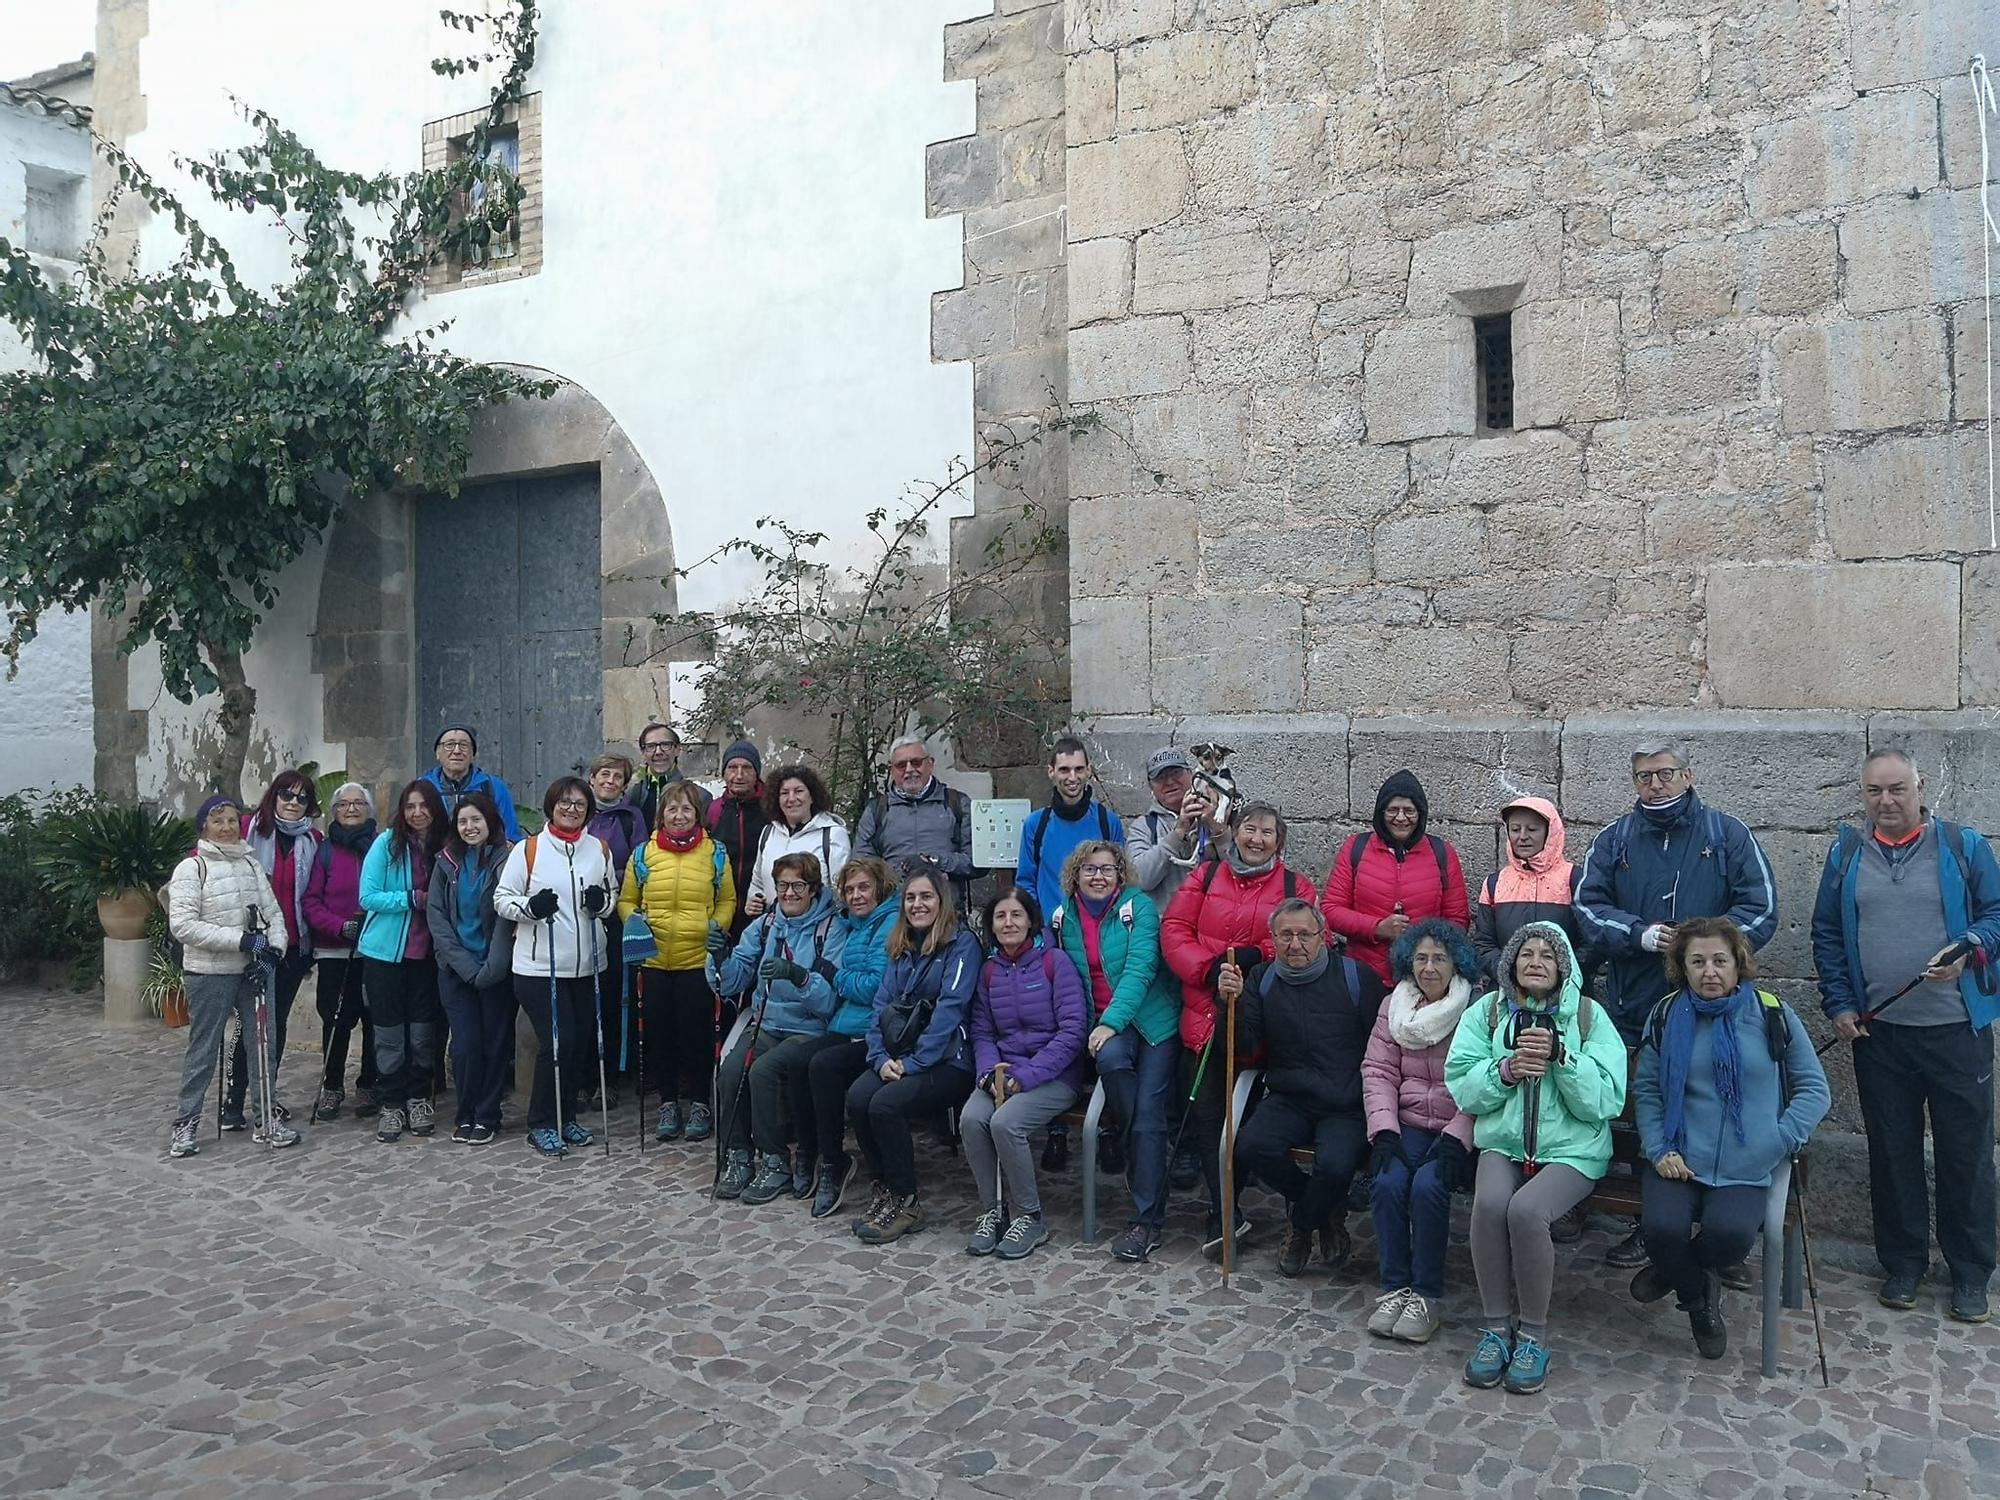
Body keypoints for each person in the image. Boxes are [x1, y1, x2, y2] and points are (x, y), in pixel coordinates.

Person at [1810, 747, 2000, 1321]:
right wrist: (1840, 1005)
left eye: (1898, 790)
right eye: (1875, 792)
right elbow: (1826, 934)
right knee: (1892, 1153)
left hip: (1955, 1032)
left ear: (1920, 787)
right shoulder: (1846, 855)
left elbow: (1996, 915)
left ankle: (1970, 1273)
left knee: (1965, 1156)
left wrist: (1970, 950)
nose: (1887, 802)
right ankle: (1903, 1265)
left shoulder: (1964, 848)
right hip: (1881, 1035)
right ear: (1863, 796)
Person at [1575, 739, 1777, 1269]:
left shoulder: (1728, 835)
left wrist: (1703, 954)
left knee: (1706, 1105)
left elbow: (1761, 909)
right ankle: (1647, 1223)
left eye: (1665, 774)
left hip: (1712, 1006)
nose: (1655, 784)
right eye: (1644, 777)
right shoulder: (1613, 839)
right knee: (1641, 1109)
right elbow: (1588, 907)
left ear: (1688, 775)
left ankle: (1717, 1235)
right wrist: (1641, 936)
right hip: (1633, 1002)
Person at [1633, 918, 1830, 1358]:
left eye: (1720, 961)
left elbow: (1815, 1090)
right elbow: (1646, 1089)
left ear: (1738, 964)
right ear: (1682, 968)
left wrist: (1777, 1139)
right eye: (1697, 962)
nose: (1710, 972)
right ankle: (1699, 1301)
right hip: (1678, 1154)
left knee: (1731, 1236)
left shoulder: (1772, 1013)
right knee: (1662, 1229)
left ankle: (1674, 1275)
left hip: (1749, 1159)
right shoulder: (1667, 1014)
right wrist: (1659, 1147)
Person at [1446, 922, 1626, 1396]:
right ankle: (1494, 1329)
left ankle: (1532, 1336)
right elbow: (1461, 1082)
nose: (1536, 962)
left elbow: (1607, 1100)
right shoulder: (1486, 1013)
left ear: (1563, 968)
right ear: (1511, 965)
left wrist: (1562, 1059)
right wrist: (1503, 1072)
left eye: (1548, 955)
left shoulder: (1588, 1018)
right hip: (1505, 1143)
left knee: (1526, 1212)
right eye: (1526, 954)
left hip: (1573, 1149)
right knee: (1488, 1207)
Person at [1161, 801, 1316, 1257]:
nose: (1257, 839)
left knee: (1249, 1120)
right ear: (1234, 831)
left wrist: (1255, 958)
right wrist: (1208, 971)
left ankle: (1284, 1209)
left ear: (1279, 841)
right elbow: (1174, 929)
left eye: (1268, 832)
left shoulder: (1294, 886)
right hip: (1205, 1014)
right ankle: (1222, 1208)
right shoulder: (1204, 878)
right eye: (1249, 829)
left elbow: (1306, 937)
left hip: (1265, 1018)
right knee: (1208, 1116)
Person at [1224, 900, 1385, 1279]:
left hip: (1345, 1100)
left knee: (1335, 1165)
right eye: (1286, 935)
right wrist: (1227, 1004)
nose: (1296, 944)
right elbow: (1244, 1050)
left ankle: (1301, 1223)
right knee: (1250, 1146)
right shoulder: (1262, 979)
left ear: (1323, 937)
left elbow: (1380, 1045)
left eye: (1305, 935)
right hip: (1289, 1095)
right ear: (1273, 939)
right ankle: (1324, 1210)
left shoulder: (1356, 977)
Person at [1050, 841, 1182, 1263]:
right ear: (1076, 874)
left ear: (1120, 874)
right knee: (1113, 1069)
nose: (1099, 876)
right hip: (1105, 1029)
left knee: (1149, 1110)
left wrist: (1110, 1023)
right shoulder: (1062, 918)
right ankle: (1138, 1156)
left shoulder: (1137, 908)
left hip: (1153, 1021)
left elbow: (1141, 968)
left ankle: (1148, 1220)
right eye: (1090, 869)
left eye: (1108, 869)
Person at [1361, 918, 1479, 1344]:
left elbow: (1482, 1083)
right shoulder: (1394, 1007)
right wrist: (1384, 1131)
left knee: (1429, 1186)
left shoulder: (1476, 1010)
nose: (1429, 968)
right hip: (1407, 1123)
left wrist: (1458, 1136)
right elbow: (1377, 1071)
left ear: (1457, 964)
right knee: (1388, 1180)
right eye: (1421, 958)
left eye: (1440, 959)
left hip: (1455, 1129)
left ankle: (1426, 1294)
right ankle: (1396, 1287)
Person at [847, 868, 980, 1244]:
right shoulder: (900, 945)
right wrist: (878, 1058)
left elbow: (950, 1011)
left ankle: (907, 1203)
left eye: (926, 897)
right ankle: (884, 1189)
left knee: (885, 1105)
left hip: (948, 1060)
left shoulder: (961, 945)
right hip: (899, 1056)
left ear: (941, 901)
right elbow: (880, 1008)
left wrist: (913, 1064)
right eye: (910, 898)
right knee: (859, 1097)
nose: (917, 905)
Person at [165, 794, 297, 1155]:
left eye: (231, 821)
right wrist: (242, 941)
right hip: (209, 972)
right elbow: (184, 925)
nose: (226, 828)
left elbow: (273, 914)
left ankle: (266, 1118)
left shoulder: (251, 865)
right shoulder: (191, 869)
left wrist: (273, 952)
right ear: (204, 826)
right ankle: (186, 1123)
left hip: (254, 973)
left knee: (262, 1047)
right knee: (203, 1049)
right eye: (217, 820)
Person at [962, 885, 1087, 1261]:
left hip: (1054, 1076)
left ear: (1031, 921)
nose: (1008, 922)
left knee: (1005, 1123)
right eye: (1000, 916)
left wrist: (1029, 1075)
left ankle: (1030, 1216)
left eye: (1016, 915)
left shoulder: (1055, 963)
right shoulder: (989, 972)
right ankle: (994, 1211)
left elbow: (1073, 1031)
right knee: (971, 1118)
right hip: (1003, 1071)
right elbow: (982, 1031)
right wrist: (987, 1073)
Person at [712, 851, 845, 1203]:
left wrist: (799, 977)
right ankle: (737, 1155)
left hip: (810, 1028)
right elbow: (732, 981)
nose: (789, 893)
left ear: (814, 889)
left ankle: (775, 1161)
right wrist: (718, 959)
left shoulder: (831, 929)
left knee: (764, 1071)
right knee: (730, 1071)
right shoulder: (767, 924)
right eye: (782, 885)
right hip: (766, 1021)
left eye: (798, 885)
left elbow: (830, 1001)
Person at [494, 777, 616, 1157]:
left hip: (587, 965)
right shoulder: (529, 850)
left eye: (579, 804)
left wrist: (601, 902)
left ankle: (567, 1119)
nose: (571, 809)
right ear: (551, 805)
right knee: (558, 1042)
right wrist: (530, 908)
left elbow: (611, 898)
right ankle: (542, 1122)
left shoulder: (599, 849)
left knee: (579, 1044)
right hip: (538, 967)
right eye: (564, 802)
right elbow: (502, 899)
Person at [619, 779, 736, 1144]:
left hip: (696, 961)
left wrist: (716, 926)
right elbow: (626, 900)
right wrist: (634, 923)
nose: (680, 815)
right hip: (654, 962)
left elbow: (728, 900)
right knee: (660, 1036)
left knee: (697, 1036)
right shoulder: (643, 854)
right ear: (661, 815)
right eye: (672, 809)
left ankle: (700, 1102)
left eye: (687, 809)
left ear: (697, 815)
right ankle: (668, 1104)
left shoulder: (715, 853)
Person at [219, 769, 323, 1129]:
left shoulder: (313, 840)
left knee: (273, 1026)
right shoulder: (247, 829)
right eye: (286, 795)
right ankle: (233, 1102)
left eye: (302, 798)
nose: (293, 803)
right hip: (251, 946)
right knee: (248, 1024)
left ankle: (267, 1098)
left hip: (292, 947)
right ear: (273, 795)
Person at [804, 857, 900, 1217]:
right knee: (800, 1062)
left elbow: (877, 987)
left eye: (863, 888)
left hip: (874, 1034)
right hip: (845, 1024)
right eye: (849, 890)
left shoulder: (888, 922)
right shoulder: (853, 925)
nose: (856, 896)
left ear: (880, 888)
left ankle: (833, 1161)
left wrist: (834, 975)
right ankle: (811, 1158)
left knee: (822, 1065)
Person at [356, 779, 448, 1144]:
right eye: (410, 806)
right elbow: (368, 896)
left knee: (424, 1032)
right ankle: (391, 1102)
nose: (417, 813)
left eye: (423, 805)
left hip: (427, 955)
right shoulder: (386, 844)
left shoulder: (446, 845)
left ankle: (419, 1097)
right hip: (385, 954)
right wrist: (410, 898)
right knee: (390, 1033)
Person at [1320, 769, 1469, 987]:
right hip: (1363, 974)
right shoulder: (1355, 847)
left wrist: (1421, 943)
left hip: (1422, 978)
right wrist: (1377, 928)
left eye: (1409, 811)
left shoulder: (1442, 852)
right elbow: (1331, 910)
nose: (1400, 818)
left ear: (1421, 814)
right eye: (1392, 810)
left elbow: (1458, 919)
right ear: (1381, 813)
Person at [427, 790, 517, 1144]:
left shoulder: (508, 859)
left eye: (476, 819)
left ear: (490, 821)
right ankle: (465, 1114)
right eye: (463, 821)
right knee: (464, 1046)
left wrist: (491, 968)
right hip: (455, 970)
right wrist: (465, 966)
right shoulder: (446, 861)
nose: (469, 827)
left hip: (495, 969)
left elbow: (505, 918)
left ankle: (488, 1115)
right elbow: (437, 916)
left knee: (494, 1046)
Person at [304, 783, 381, 1119]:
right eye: (344, 804)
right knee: (335, 1020)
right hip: (335, 951)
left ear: (369, 809)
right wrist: (339, 926)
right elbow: (310, 900)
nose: (352, 809)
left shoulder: (382, 846)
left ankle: (369, 1084)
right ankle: (332, 1085)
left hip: (376, 950)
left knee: (375, 1019)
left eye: (359, 803)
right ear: (334, 811)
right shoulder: (324, 850)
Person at [1016, 736, 1125, 931]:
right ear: (1051, 772)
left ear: (1088, 770)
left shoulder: (1107, 822)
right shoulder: (1035, 824)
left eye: (1079, 769)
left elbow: (1120, 879)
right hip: (1051, 931)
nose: (1072, 777)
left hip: (1099, 931)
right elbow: (1025, 881)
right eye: (1064, 770)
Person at [853, 735, 975, 909]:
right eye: (901, 765)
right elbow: (861, 865)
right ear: (891, 770)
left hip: (947, 913)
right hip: (893, 913)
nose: (909, 770)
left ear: (930, 764)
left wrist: (935, 862)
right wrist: (896, 877)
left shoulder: (956, 803)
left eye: (916, 762)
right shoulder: (877, 810)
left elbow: (977, 862)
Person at [1472, 797, 1584, 985]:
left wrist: (1558, 974)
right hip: (1508, 994)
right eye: (1515, 829)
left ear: (1550, 832)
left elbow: (1592, 942)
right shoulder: (1494, 883)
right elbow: (1484, 944)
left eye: (1532, 829)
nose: (1522, 836)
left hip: (1567, 993)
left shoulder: (1575, 879)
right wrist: (1511, 972)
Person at [1125, 746, 1228, 909]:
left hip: (1213, 926)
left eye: (1176, 773)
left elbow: (1242, 870)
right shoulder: (1144, 827)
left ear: (1192, 774)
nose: (1170, 782)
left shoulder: (1219, 812)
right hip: (1165, 928)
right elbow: (1138, 880)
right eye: (1160, 778)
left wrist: (1219, 831)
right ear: (1151, 786)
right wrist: (1178, 832)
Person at [745, 764, 850, 915]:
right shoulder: (768, 833)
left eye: (799, 791)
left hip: (815, 931)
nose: (791, 798)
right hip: (774, 929)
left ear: (812, 796)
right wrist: (755, 899)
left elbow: (840, 891)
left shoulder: (831, 834)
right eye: (784, 793)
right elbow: (758, 882)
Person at [707, 739, 771, 940]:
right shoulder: (714, 810)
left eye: (747, 768)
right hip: (722, 909)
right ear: (724, 773)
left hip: (761, 909)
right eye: (732, 768)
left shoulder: (771, 808)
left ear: (756, 773)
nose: (739, 775)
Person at [420, 725, 523, 842]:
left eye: (463, 745)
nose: (457, 751)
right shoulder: (423, 787)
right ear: (437, 753)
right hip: (434, 857)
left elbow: (510, 834)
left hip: (484, 858)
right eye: (449, 745)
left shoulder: (492, 787)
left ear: (473, 754)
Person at [629, 721, 709, 831]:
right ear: (643, 752)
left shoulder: (700, 797)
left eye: (665, 745)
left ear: (677, 750)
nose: (658, 752)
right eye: (651, 746)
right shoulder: (632, 796)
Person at [584, 752, 649, 882]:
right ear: (592, 778)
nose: (610, 781)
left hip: (619, 891)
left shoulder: (632, 817)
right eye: (605, 774)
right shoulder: (577, 811)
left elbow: (640, 861)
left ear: (624, 785)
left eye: (618, 777)